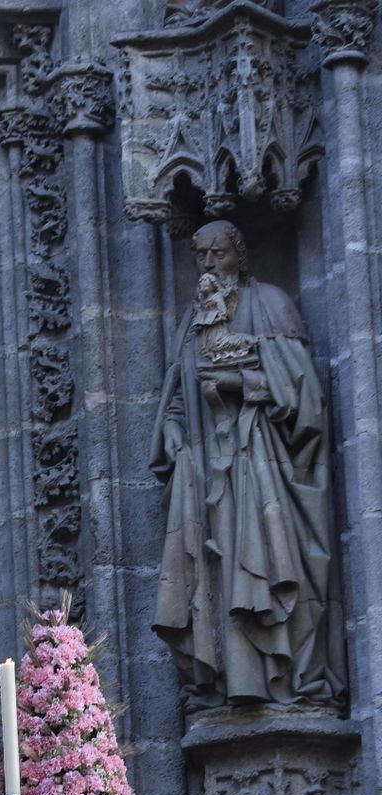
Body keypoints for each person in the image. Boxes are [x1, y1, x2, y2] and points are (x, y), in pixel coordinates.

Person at [151, 220, 345, 710]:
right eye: (201, 255)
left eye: (219, 253)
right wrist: (173, 431)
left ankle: (291, 680)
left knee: (272, 563)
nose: (210, 264)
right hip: (205, 475)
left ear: (239, 254)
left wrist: (243, 384)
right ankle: (226, 683)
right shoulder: (191, 324)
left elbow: (305, 395)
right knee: (213, 577)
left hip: (263, 466)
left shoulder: (270, 304)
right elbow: (177, 397)